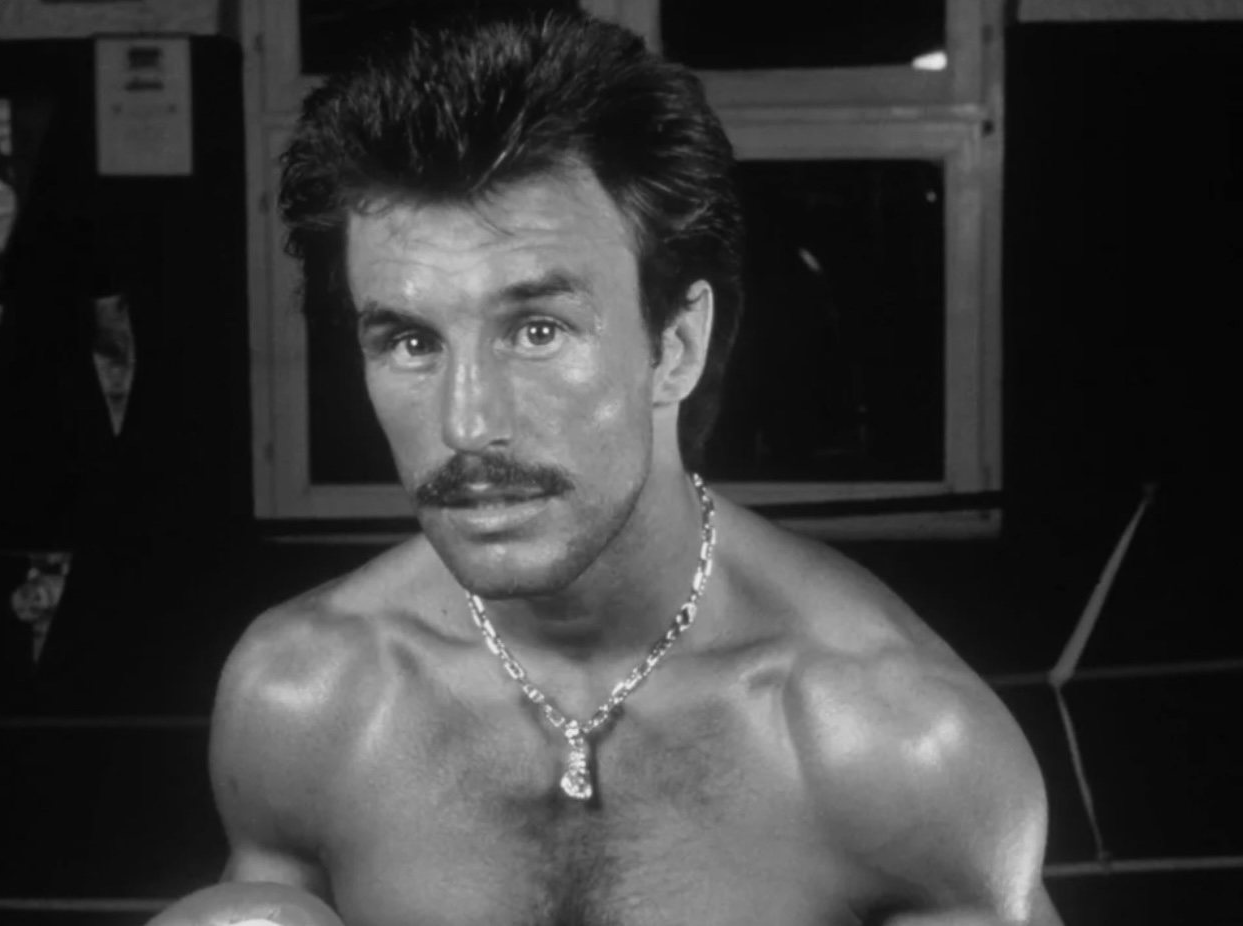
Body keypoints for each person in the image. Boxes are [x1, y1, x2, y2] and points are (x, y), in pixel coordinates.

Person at [155, 7, 1062, 925]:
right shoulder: (307, 696)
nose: (467, 425)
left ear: (677, 346)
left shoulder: (894, 739)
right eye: (411, 341)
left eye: (538, 331)